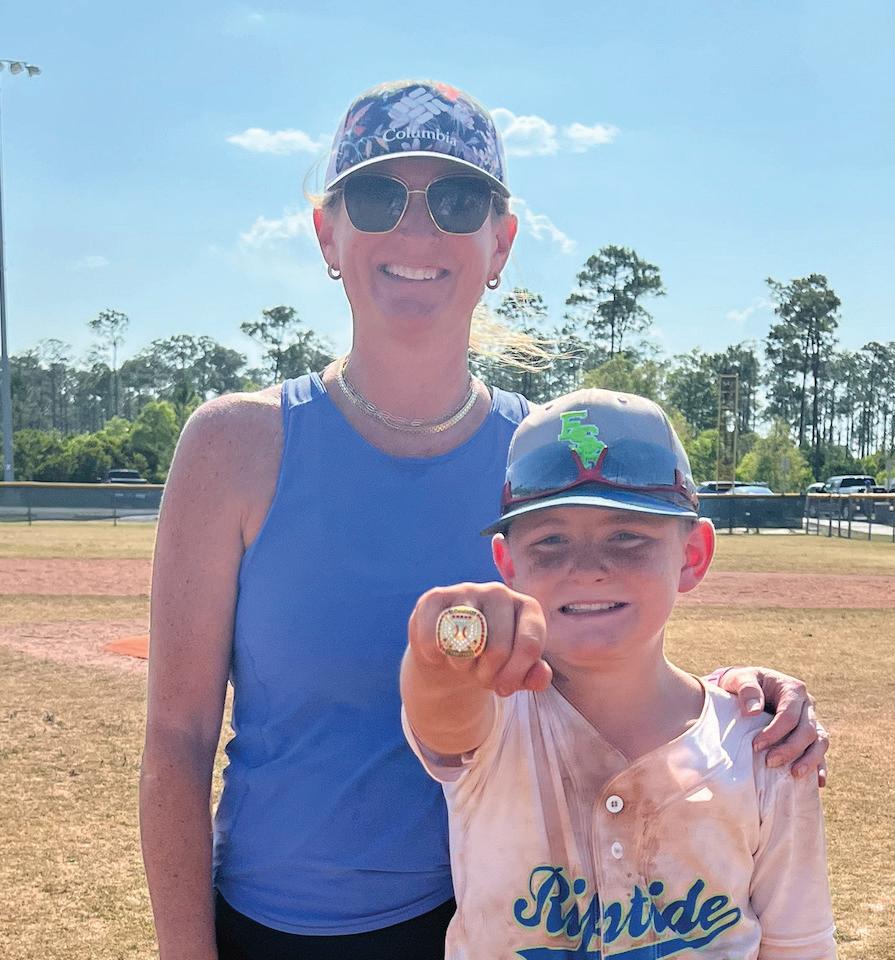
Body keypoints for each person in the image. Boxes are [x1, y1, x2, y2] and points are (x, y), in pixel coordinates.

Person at [140, 80, 830, 960]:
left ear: (499, 241)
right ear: (326, 234)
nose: (416, 230)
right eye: (376, 196)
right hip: (285, 926)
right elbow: (178, 737)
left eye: (457, 201)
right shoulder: (234, 444)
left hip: (520, 919)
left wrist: (745, 699)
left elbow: (607, 650)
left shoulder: (545, 456)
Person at [402, 388, 837, 959]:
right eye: (551, 541)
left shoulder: (763, 744)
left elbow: (798, 943)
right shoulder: (494, 719)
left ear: (692, 555)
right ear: (508, 563)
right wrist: (441, 643)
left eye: (628, 536)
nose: (588, 569)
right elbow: (443, 710)